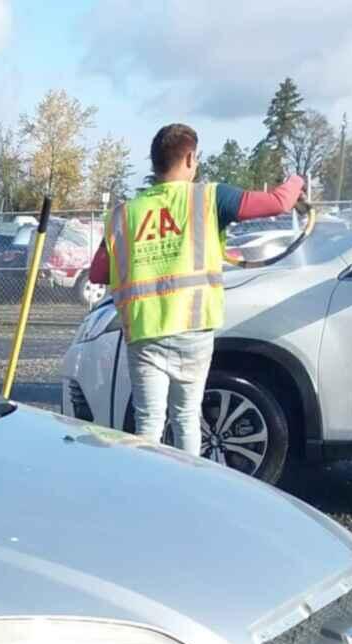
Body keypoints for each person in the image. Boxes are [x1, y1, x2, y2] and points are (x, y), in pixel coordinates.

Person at [89, 124, 304, 457]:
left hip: (145, 332)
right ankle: (186, 493)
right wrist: (297, 181)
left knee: (148, 423)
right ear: (190, 157)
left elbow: (99, 271)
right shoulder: (209, 198)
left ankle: (147, 490)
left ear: (155, 162)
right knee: (186, 418)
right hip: (193, 326)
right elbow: (280, 201)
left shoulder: (123, 214)